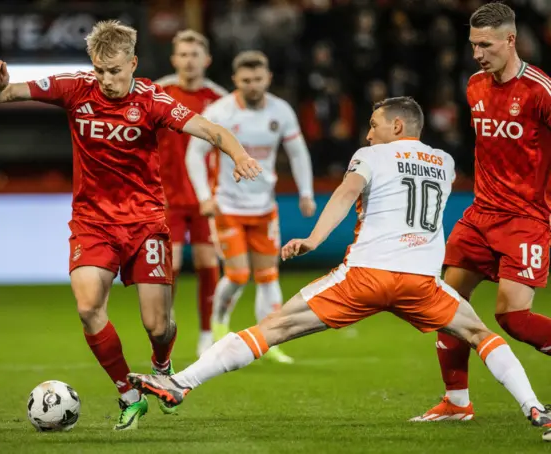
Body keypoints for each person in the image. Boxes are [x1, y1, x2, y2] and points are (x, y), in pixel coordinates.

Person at [126, 97, 551, 438]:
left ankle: (179, 383)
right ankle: (534, 407)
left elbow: (347, 194)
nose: (368, 133)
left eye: (374, 124)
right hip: (422, 282)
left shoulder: (372, 156)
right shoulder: (443, 162)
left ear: (397, 127)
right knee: (480, 334)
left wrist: (313, 238)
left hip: (364, 276)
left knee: (273, 328)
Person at [0, 20, 261, 431]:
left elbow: (212, 130)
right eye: (99, 70)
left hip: (145, 223)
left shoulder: (153, 99)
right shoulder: (74, 87)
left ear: (132, 63)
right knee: (88, 306)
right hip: (93, 223)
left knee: (158, 325)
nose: (106, 80)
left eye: (115, 71)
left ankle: (161, 365)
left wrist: (240, 156)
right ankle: (129, 395)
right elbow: (5, 94)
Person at [411, 2, 551, 425]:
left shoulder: (540, 91)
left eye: (485, 45)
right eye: (473, 44)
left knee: (513, 317)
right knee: (446, 303)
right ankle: (456, 402)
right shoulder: (474, 85)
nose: (477, 53)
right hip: (480, 214)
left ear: (511, 40)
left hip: (526, 219)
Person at [186, 50, 316, 364]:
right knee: (239, 274)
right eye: (246, 80)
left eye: (258, 79)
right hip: (229, 206)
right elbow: (194, 153)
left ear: (268, 78)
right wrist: (205, 195)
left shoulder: (281, 111)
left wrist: (306, 193)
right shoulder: (220, 111)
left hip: (264, 208)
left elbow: (297, 153)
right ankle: (218, 330)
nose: (253, 85)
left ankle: (269, 341)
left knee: (269, 275)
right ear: (235, 81)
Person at [155, 30, 228, 357]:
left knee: (206, 261)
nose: (188, 60)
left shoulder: (220, 100)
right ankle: (165, 327)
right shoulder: (160, 92)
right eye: (182, 54)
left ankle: (206, 333)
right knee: (170, 266)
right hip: (166, 196)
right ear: (174, 59)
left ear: (206, 60)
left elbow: (228, 149)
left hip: (205, 198)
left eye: (194, 54)